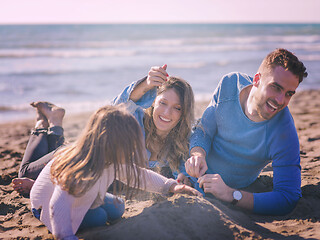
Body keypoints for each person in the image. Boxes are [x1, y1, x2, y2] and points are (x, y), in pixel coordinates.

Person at [29, 103, 200, 239]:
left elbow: (140, 176)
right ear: (110, 143)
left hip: (85, 196)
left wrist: (170, 186)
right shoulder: (78, 170)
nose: (134, 150)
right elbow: (57, 206)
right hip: (45, 206)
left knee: (118, 208)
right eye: (130, 146)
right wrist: (66, 235)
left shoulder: (108, 158)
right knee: (99, 218)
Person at [185, 48, 308, 215]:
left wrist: (230, 194)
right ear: (257, 79)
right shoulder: (230, 84)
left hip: (214, 195)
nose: (280, 100)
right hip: (177, 162)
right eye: (276, 87)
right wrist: (198, 155)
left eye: (289, 94)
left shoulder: (284, 133)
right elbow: (203, 129)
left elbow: (288, 197)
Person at [113, 64, 197, 187]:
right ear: (153, 101)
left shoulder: (184, 138)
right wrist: (146, 85)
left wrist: (185, 179)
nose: (166, 113)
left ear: (184, 113)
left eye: (177, 108)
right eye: (163, 103)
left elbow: (186, 174)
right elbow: (112, 113)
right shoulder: (135, 119)